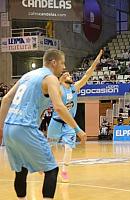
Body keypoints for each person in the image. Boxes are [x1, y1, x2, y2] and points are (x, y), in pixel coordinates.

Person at [0, 49, 86, 199]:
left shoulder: (27, 75)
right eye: (62, 63)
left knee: (21, 169)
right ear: (54, 62)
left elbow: (6, 99)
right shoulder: (50, 78)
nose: (63, 67)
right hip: (25, 127)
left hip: (9, 127)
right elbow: (59, 107)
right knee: (52, 170)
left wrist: (1, 127)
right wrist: (78, 129)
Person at [47, 50, 103, 183]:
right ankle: (47, 167)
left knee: (68, 148)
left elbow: (87, 75)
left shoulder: (74, 88)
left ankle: (64, 171)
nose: (70, 76)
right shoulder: (57, 89)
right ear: (62, 78)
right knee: (50, 148)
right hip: (56, 122)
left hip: (69, 123)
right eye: (67, 75)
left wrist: (95, 62)